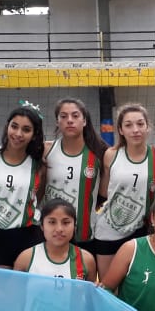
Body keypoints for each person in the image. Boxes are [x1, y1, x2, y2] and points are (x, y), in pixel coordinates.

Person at [94, 103, 155, 276]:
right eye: (128, 125)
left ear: (148, 126)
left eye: (140, 124)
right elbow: (104, 192)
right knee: (108, 285)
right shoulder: (111, 155)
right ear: (120, 130)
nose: (135, 130)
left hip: (141, 230)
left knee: (138, 283)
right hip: (109, 230)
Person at [0, 103, 46, 268]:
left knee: (27, 285)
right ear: (7, 126)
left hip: (27, 235)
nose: (18, 134)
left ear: (34, 135)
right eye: (14, 126)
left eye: (26, 129)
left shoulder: (38, 164)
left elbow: (38, 196)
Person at [43, 97, 109, 248]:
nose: (69, 120)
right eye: (63, 116)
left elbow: (104, 193)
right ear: (57, 121)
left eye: (75, 115)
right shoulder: (46, 150)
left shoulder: (100, 152)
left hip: (85, 235)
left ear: (84, 121)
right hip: (51, 234)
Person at [14, 198, 97, 281]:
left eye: (66, 222)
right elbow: (15, 288)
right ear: (42, 226)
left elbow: (90, 288)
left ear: (74, 227)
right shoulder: (26, 258)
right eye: (52, 222)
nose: (59, 229)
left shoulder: (86, 260)